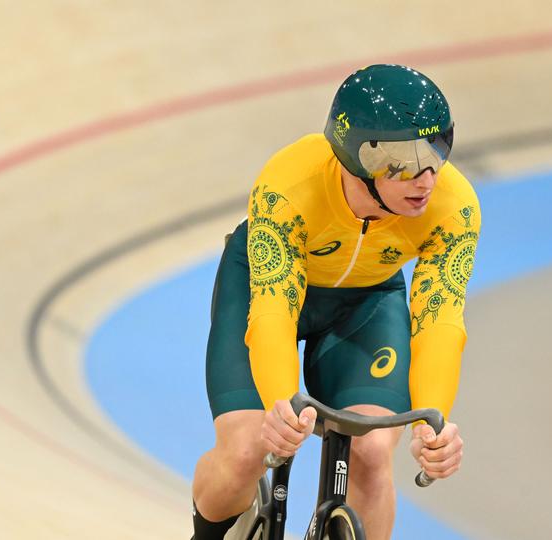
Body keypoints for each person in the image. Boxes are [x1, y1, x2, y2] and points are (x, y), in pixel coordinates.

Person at [191, 64, 480, 540]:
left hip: (366, 302)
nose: (426, 177)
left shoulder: (455, 206)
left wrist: (434, 421)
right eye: (401, 161)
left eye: (436, 150)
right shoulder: (289, 185)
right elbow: (271, 313)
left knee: (370, 455)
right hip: (267, 289)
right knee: (247, 451)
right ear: (356, 158)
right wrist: (282, 404)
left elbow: (440, 320)